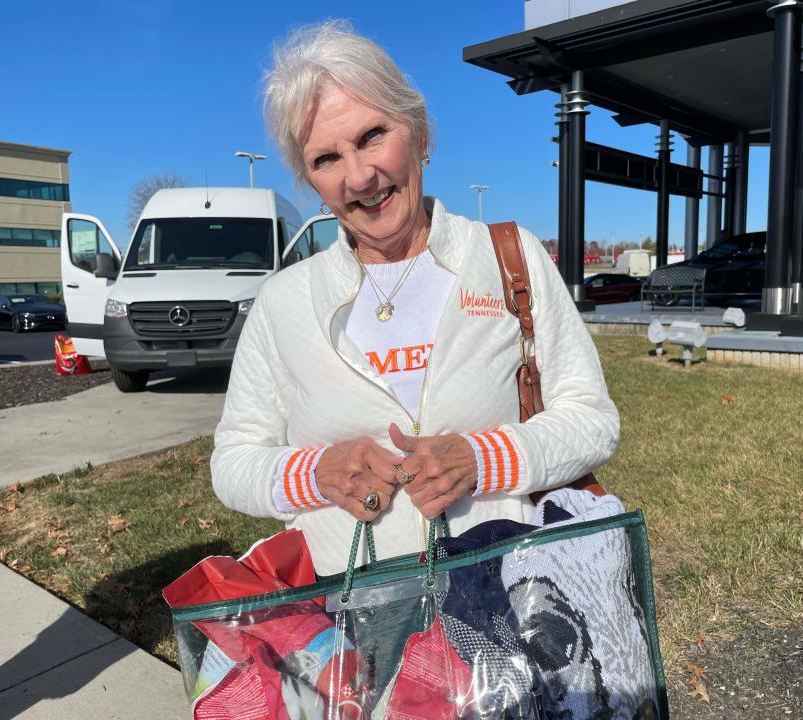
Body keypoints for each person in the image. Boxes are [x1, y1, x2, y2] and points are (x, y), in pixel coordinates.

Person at [211, 21, 620, 577]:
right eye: (326, 159)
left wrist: (483, 459)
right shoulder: (284, 301)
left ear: (420, 133)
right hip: (350, 620)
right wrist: (314, 473)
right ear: (309, 180)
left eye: (372, 135)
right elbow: (233, 463)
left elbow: (592, 420)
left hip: (507, 604)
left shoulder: (507, 259)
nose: (359, 177)